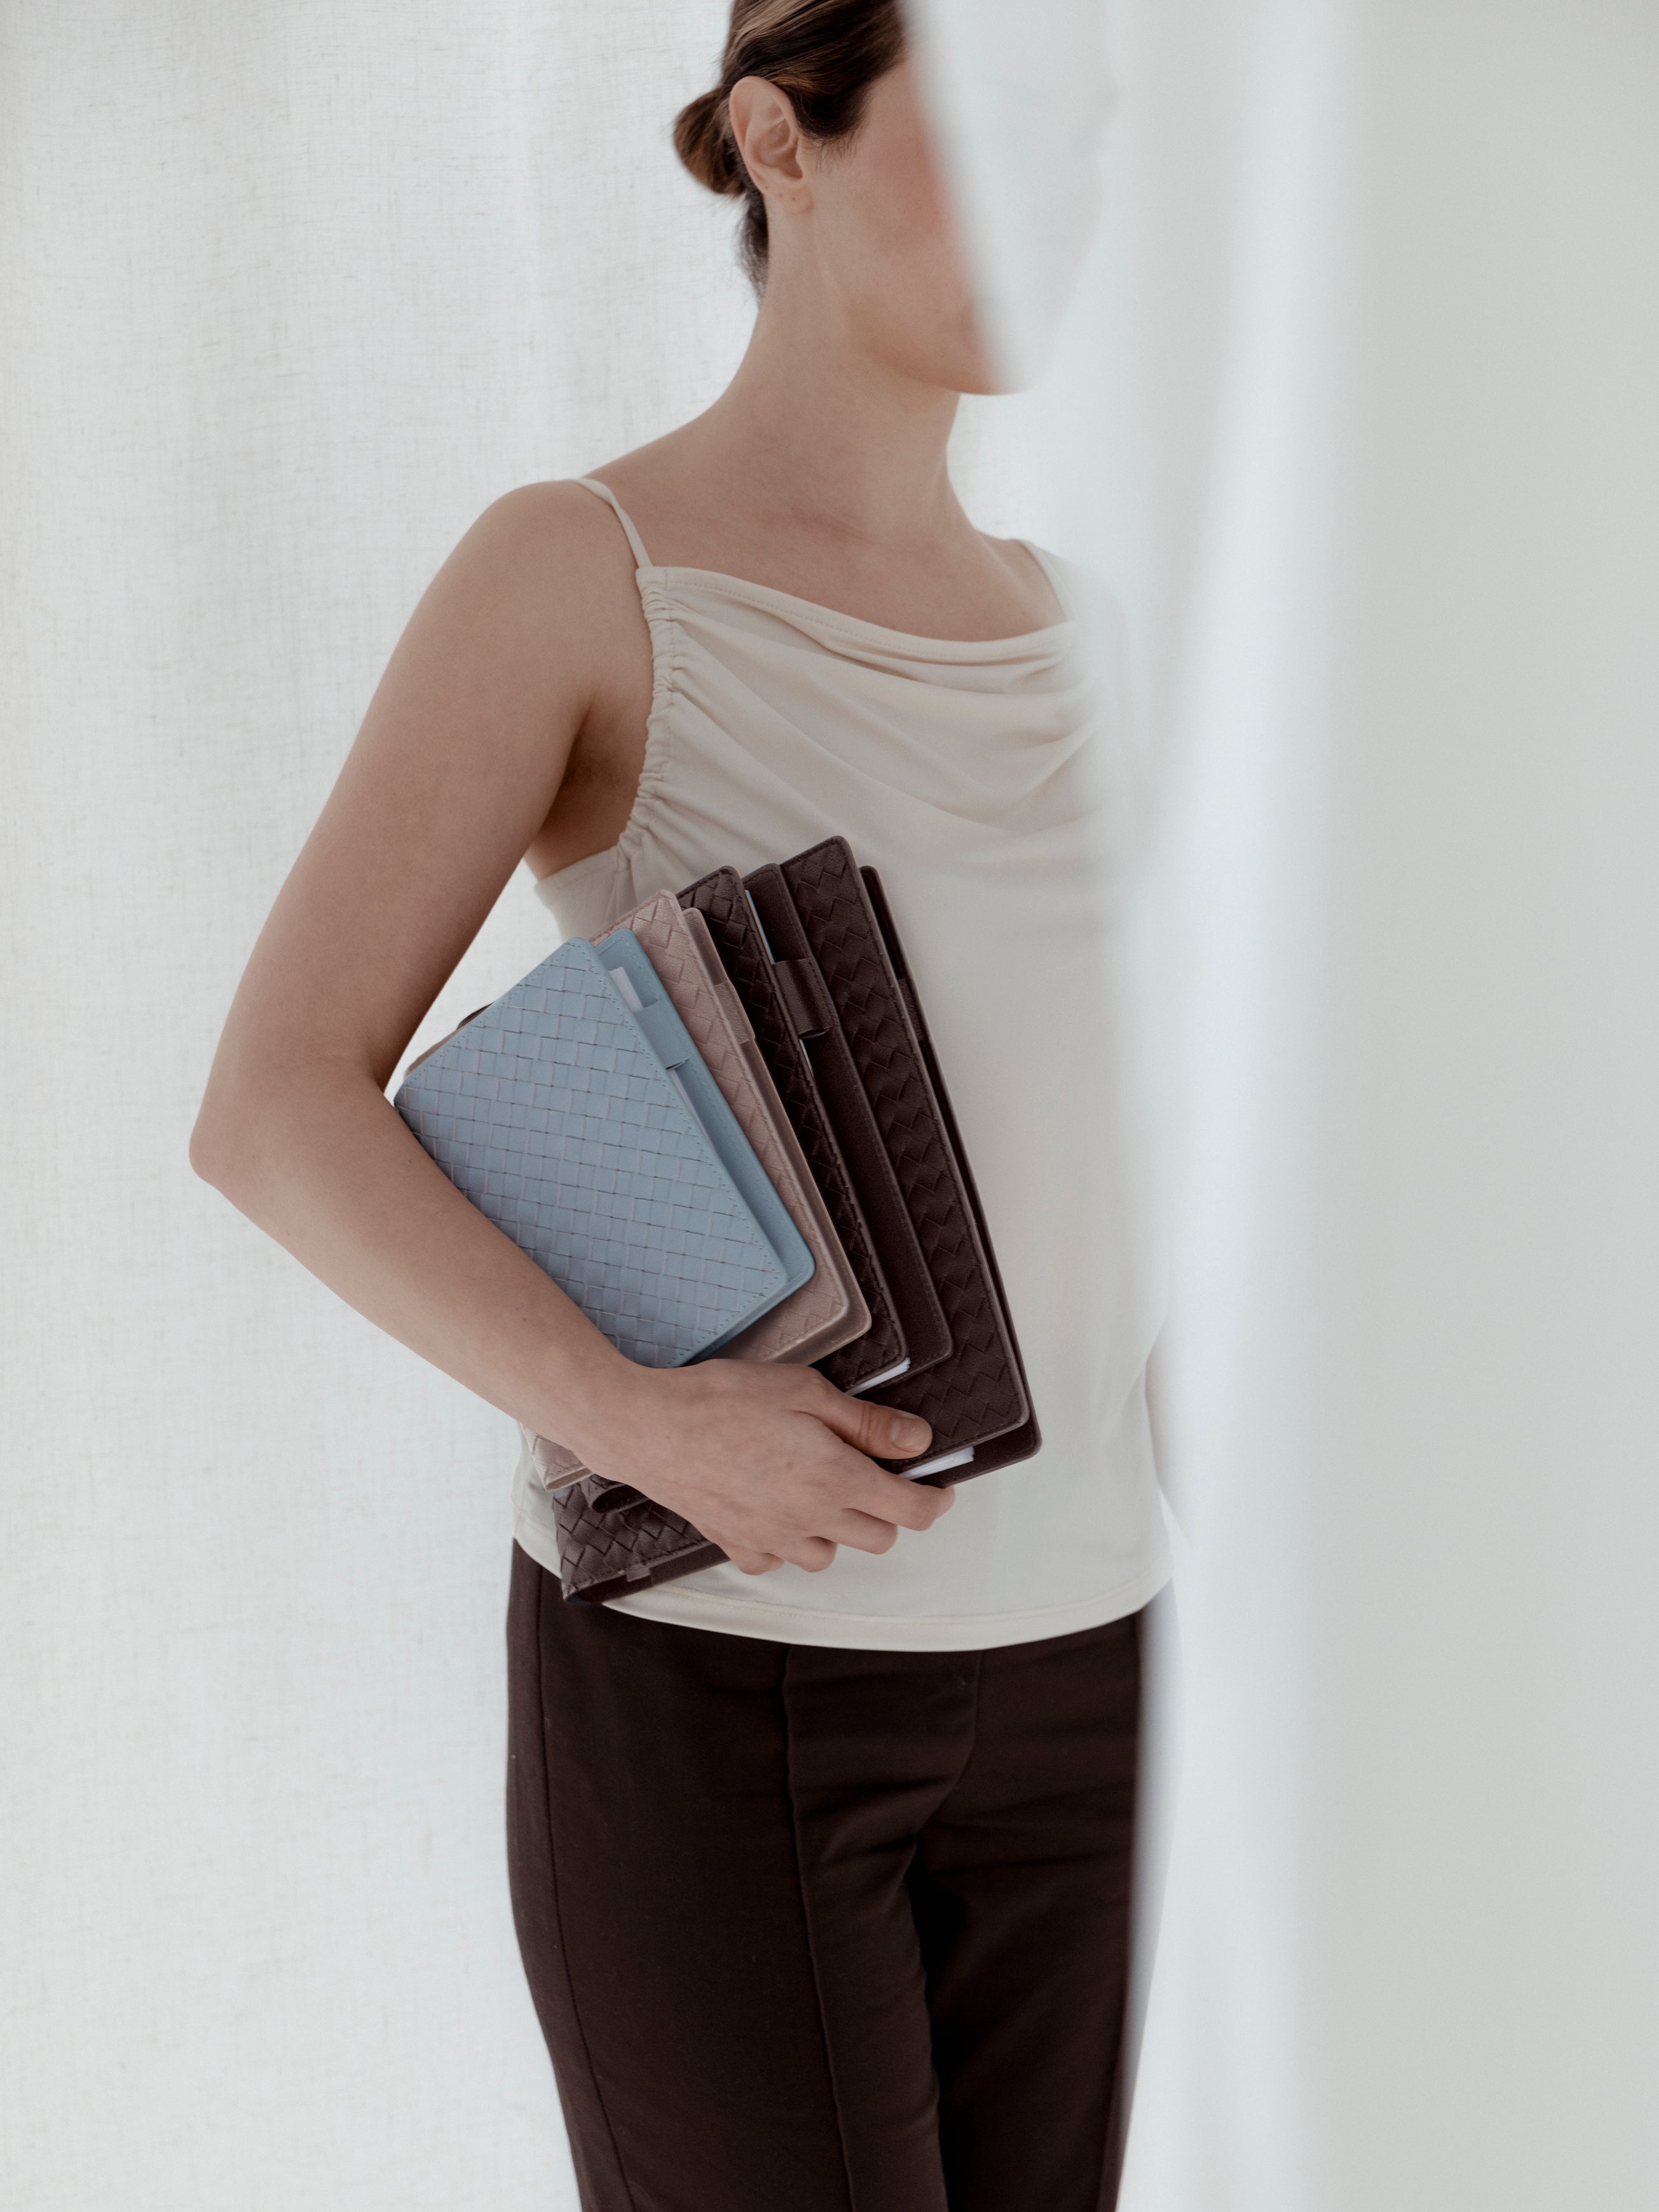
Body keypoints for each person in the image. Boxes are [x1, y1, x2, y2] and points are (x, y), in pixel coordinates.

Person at [191, 3, 1170, 2205]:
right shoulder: (587, 575)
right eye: (1006, 133)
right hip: (733, 1698)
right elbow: (272, 1102)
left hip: (1098, 1685)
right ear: (775, 138)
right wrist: (644, 1418)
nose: (1071, 207)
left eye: (1093, 144)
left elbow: (1132, 1177)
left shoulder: (1098, 637)